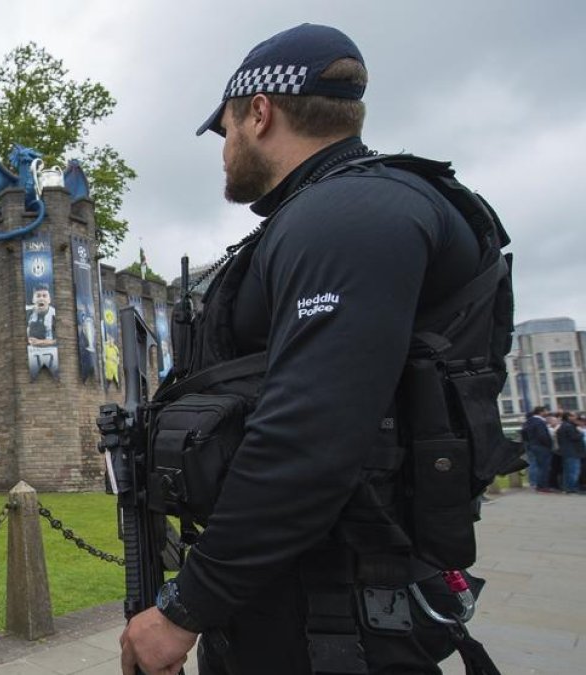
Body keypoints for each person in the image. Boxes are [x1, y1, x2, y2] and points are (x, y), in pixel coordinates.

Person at [121, 24, 509, 675]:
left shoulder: (349, 215)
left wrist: (185, 608)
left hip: (335, 618)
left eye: (226, 130)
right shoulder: (332, 214)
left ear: (260, 112)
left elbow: (311, 435)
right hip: (294, 598)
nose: (224, 152)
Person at [26, 284, 58, 376]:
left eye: (44, 296)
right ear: (33, 299)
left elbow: (61, 339)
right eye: (38, 296)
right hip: (31, 354)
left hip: (52, 355)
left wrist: (41, 342)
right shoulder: (27, 312)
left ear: (49, 299)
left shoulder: (54, 315)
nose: (41, 298)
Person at [522, 405, 555, 492]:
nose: (547, 413)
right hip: (542, 447)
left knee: (536, 466)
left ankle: (537, 484)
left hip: (533, 445)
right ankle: (543, 486)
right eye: (545, 411)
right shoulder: (539, 422)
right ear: (541, 412)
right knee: (544, 467)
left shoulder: (530, 421)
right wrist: (549, 445)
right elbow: (542, 435)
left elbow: (524, 433)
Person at [554, 412, 584, 494]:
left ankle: (567, 487)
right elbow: (574, 437)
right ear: (568, 417)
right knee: (573, 471)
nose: (575, 417)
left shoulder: (563, 426)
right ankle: (572, 488)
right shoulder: (569, 426)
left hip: (566, 452)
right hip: (572, 452)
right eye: (573, 415)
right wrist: (581, 433)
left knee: (567, 471)